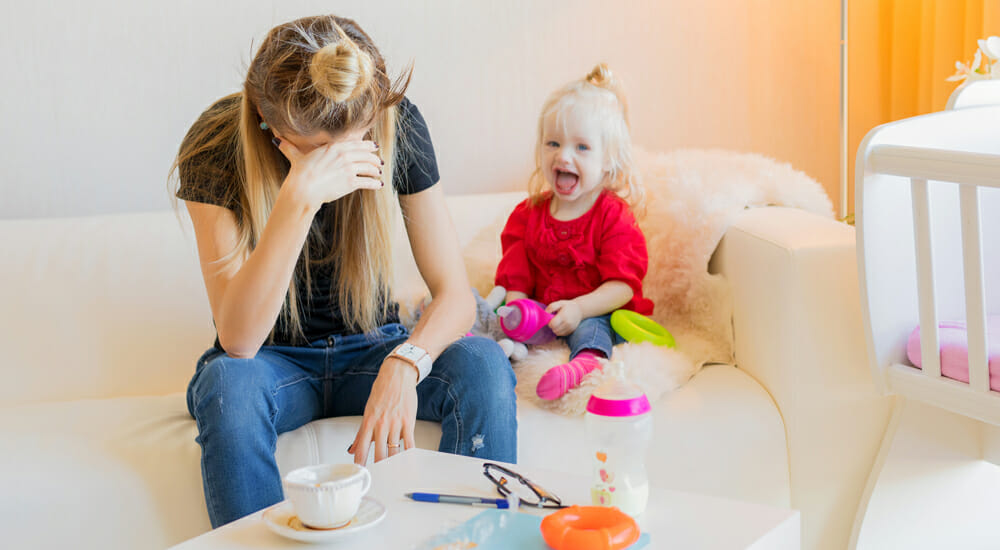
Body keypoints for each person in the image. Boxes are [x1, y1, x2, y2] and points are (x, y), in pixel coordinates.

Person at [171, 15, 516, 528]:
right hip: (270, 361)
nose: (338, 163)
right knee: (228, 385)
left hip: (374, 346)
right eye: (315, 151)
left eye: (353, 145)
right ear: (266, 121)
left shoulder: (397, 124)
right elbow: (239, 340)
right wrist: (298, 198)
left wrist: (406, 363)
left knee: (484, 365)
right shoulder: (217, 145)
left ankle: (470, 539)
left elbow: (454, 295)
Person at [495, 63, 653, 401]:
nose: (563, 155)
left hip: (594, 310)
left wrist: (580, 308)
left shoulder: (613, 216)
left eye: (582, 147)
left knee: (593, 329)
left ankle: (585, 364)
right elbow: (516, 278)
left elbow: (623, 286)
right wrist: (517, 313)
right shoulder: (528, 215)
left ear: (608, 160)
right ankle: (506, 350)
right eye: (553, 143)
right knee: (502, 318)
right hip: (546, 312)